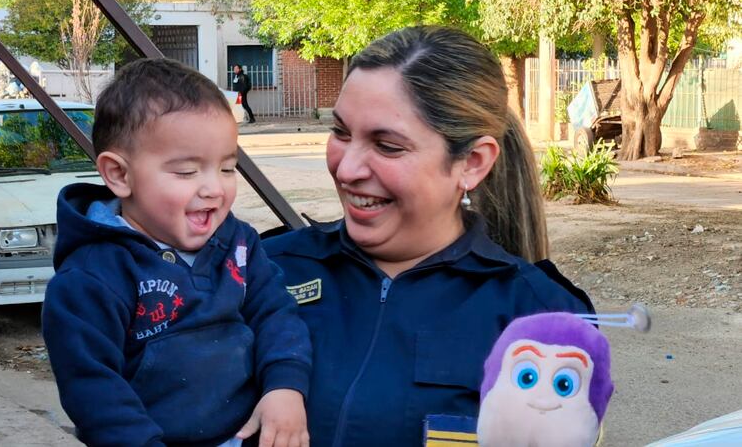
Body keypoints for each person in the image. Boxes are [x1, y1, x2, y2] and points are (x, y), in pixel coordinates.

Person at [261, 26, 594, 446]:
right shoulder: (262, 270)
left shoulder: (541, 318)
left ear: (472, 162)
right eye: (341, 132)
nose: (346, 169)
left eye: (387, 146)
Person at [42, 58, 310, 447]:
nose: (214, 189)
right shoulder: (90, 278)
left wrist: (285, 386)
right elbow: (95, 391)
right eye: (186, 172)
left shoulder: (239, 244)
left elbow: (276, 315)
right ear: (119, 175)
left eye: (227, 168)